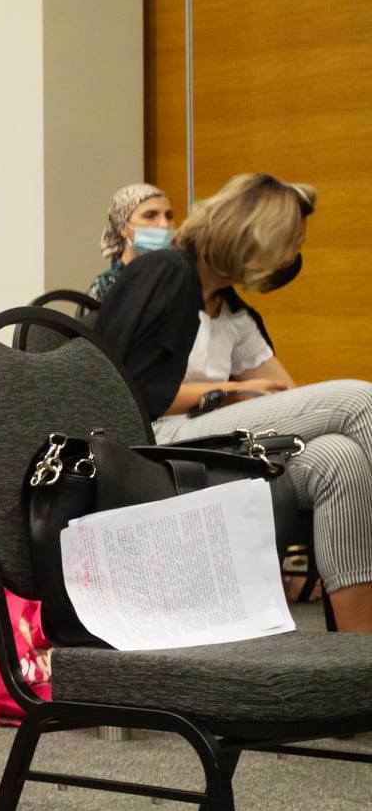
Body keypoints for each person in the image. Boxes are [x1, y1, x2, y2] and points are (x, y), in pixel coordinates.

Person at [96, 172, 372, 634]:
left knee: (339, 459)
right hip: (149, 444)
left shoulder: (223, 303)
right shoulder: (165, 272)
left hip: (195, 440)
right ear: (258, 240)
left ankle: (359, 654)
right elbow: (128, 394)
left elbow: (285, 392)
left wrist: (258, 397)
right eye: (292, 244)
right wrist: (233, 392)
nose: (293, 258)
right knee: (361, 401)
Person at [90, 182, 175, 301]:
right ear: (123, 227)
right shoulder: (107, 287)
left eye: (169, 216)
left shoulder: (178, 279)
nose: (165, 224)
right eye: (150, 216)